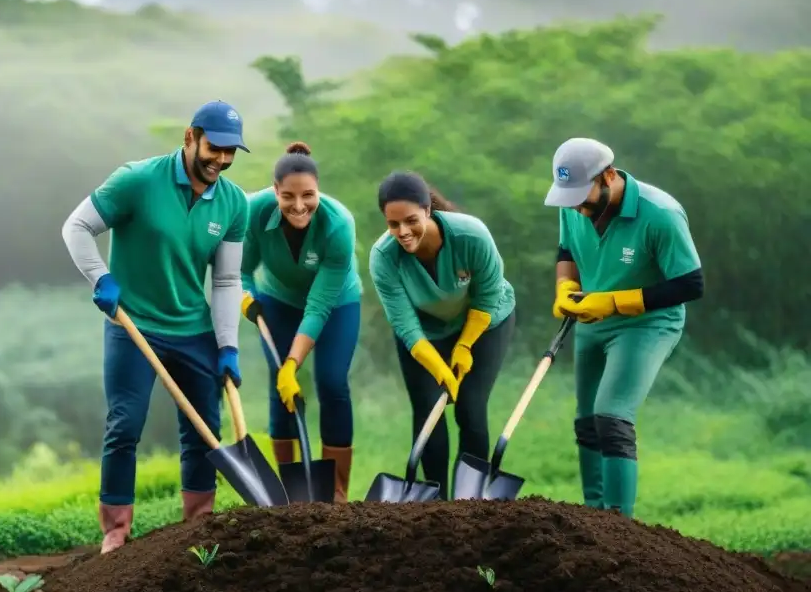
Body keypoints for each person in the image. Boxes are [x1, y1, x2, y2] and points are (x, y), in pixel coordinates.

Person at [61, 100, 250, 554]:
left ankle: (199, 525)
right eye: (214, 148)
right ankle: (116, 529)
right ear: (190, 137)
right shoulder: (138, 180)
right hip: (135, 325)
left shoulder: (233, 203)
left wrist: (227, 346)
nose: (221, 160)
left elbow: (225, 279)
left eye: (231, 152)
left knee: (204, 426)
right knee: (125, 425)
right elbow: (77, 227)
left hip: (193, 330)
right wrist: (101, 279)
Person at [544, 137, 704, 519]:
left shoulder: (660, 214)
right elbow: (566, 250)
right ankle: (593, 519)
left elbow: (690, 284)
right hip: (592, 320)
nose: (578, 209)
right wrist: (565, 287)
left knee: (611, 414)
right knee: (586, 421)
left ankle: (618, 527)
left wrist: (614, 301)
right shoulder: (572, 203)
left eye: (584, 197)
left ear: (609, 177)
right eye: (571, 200)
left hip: (646, 324)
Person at [369, 171, 517, 500]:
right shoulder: (383, 258)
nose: (403, 232)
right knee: (429, 415)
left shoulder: (472, 235)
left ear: (428, 210)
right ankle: (437, 507)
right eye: (393, 225)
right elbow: (405, 325)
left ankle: (471, 504)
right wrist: (439, 369)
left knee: (470, 409)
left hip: (485, 322)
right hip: (426, 333)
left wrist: (464, 346)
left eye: (411, 220)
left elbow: (488, 295)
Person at [240, 142, 362, 502]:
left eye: (308, 195)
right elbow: (239, 270)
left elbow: (320, 305)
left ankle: (336, 492)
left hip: (336, 303)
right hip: (276, 301)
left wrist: (294, 363)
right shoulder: (254, 212)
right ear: (274, 190)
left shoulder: (338, 224)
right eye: (288, 195)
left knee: (332, 383)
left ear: (318, 188)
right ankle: (286, 493)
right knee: (280, 389)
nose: (299, 205)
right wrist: (246, 297)